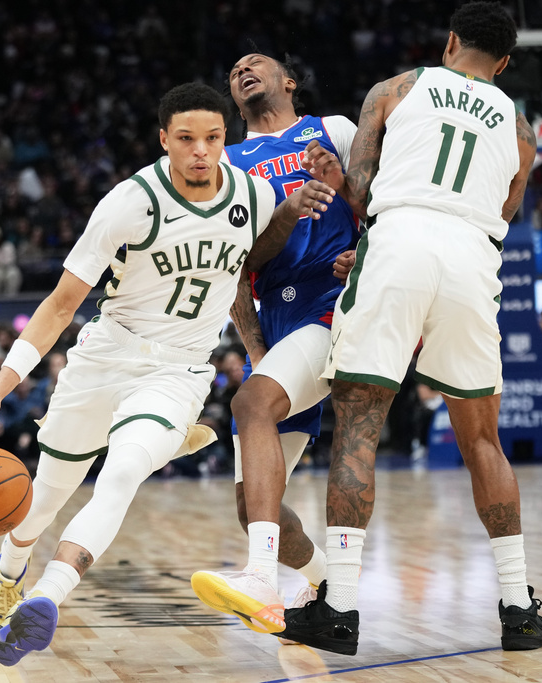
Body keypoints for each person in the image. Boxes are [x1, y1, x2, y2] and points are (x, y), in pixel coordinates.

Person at [0, 82, 335, 668]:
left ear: (225, 140)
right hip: (105, 358)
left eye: (212, 138)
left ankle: (46, 599)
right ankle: (9, 575)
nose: (201, 150)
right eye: (186, 139)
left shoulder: (254, 196)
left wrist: (309, 229)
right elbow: (58, 305)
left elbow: (258, 260)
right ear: (164, 141)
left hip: (178, 371)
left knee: (124, 472)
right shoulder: (128, 202)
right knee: (40, 504)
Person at [295, 1, 542, 654]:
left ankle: (342, 610)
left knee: (359, 424)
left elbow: (358, 190)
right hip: (472, 259)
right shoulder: (522, 129)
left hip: (400, 242)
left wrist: (368, 224)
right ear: (501, 63)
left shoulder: (396, 89)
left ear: (449, 43)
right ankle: (518, 609)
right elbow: (504, 207)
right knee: (483, 438)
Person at [189, 52, 360, 634]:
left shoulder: (332, 131)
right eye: (233, 69)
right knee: (251, 507)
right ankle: (324, 581)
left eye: (255, 63)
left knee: (249, 404)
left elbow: (376, 202)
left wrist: (368, 252)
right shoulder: (229, 165)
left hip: (333, 303)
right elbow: (239, 266)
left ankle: (260, 578)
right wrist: (257, 347)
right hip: (279, 316)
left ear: (289, 81)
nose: (241, 69)